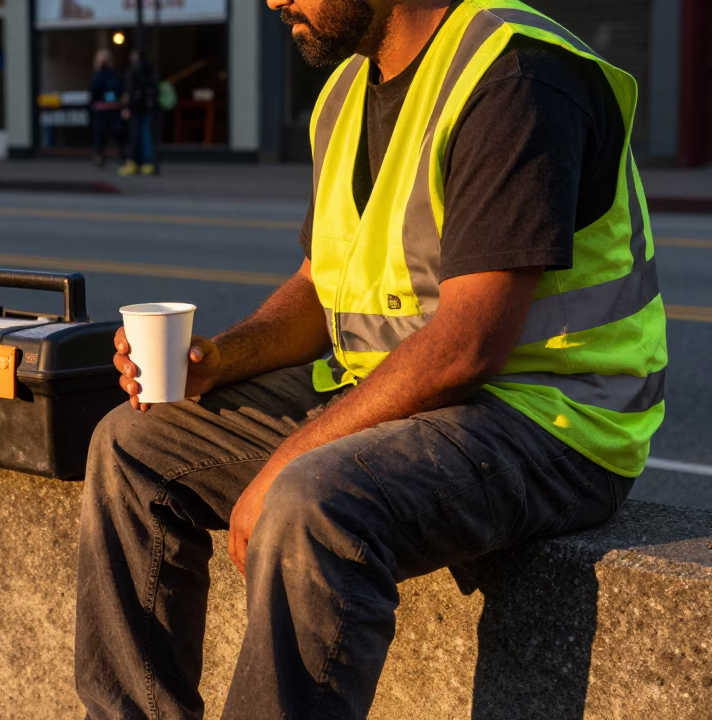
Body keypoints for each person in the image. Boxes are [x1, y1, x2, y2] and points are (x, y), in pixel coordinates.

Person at [76, 0, 667, 718]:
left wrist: (290, 457)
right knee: (130, 445)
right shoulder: (345, 94)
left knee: (309, 502)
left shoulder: (514, 72)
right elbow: (322, 284)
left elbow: (468, 344)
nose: (272, 1)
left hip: (552, 423)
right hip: (405, 397)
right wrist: (216, 360)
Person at [119, 50, 158, 176]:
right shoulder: (150, 71)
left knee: (136, 135)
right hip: (146, 108)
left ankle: (136, 161)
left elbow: (133, 92)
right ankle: (147, 163)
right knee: (145, 135)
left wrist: (129, 107)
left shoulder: (135, 72)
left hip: (137, 109)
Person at [89, 50, 125, 167]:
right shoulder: (97, 76)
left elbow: (119, 89)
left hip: (114, 108)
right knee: (100, 135)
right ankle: (99, 156)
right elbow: (93, 92)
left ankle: (122, 156)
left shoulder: (114, 75)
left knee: (118, 133)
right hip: (101, 110)